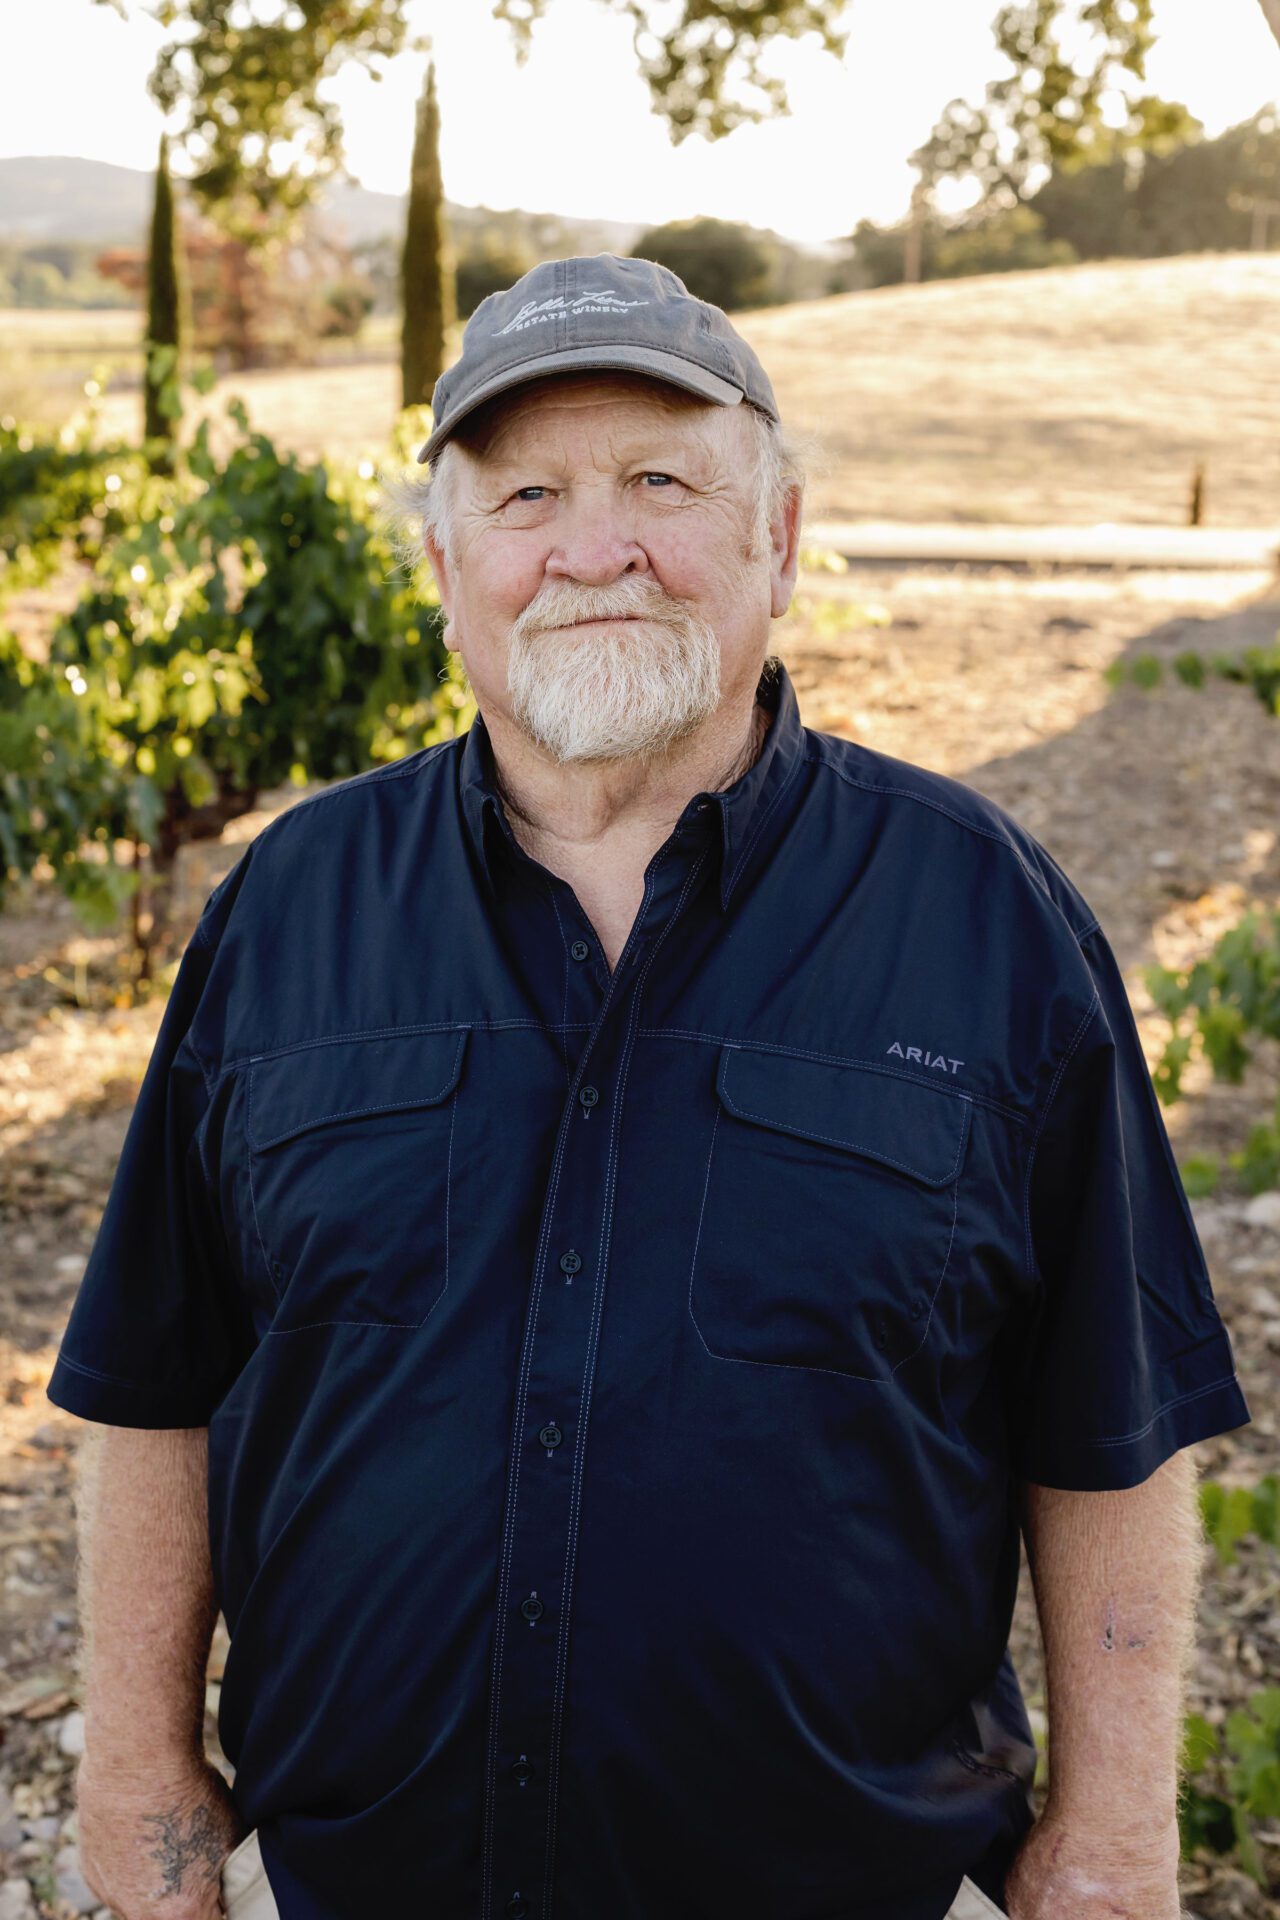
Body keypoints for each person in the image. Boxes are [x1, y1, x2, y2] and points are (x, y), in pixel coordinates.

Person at [47, 253, 1250, 1920]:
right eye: (528, 492)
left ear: (779, 541)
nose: (593, 548)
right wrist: (136, 1773)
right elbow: (157, 1384)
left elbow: (1110, 1424)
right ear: (447, 563)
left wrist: (1116, 1840)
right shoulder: (291, 908)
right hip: (345, 1888)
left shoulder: (987, 917)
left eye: (660, 483)